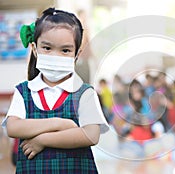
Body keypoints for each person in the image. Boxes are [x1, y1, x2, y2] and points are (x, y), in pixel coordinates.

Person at [1, 8, 109, 173]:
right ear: (35, 48)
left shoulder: (85, 93)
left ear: (77, 54)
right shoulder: (24, 91)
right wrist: (59, 123)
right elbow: (13, 127)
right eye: (47, 48)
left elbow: (90, 135)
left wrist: (43, 140)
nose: (55, 56)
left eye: (65, 50)